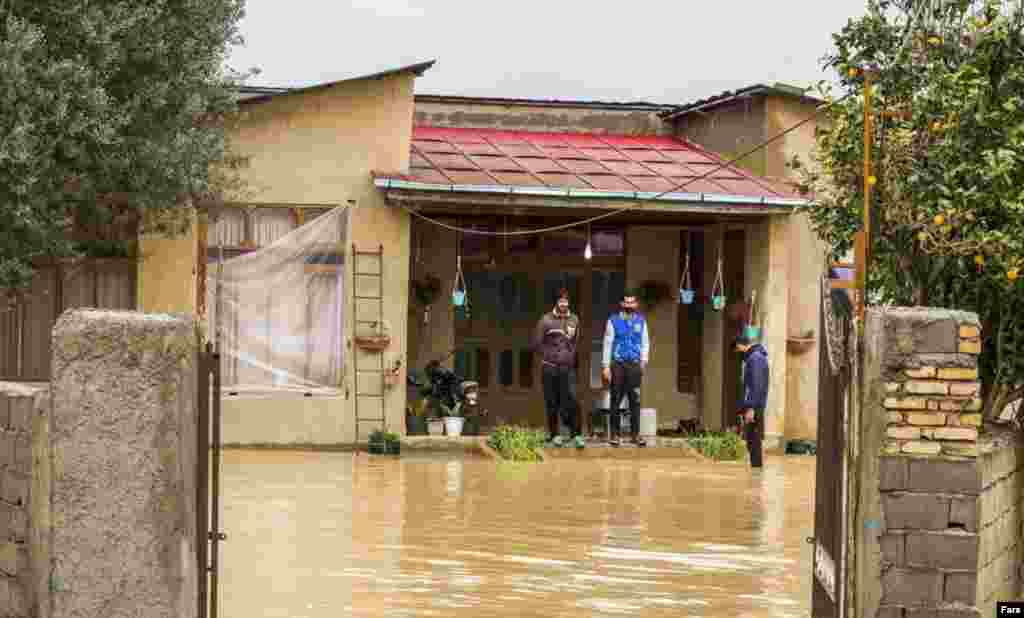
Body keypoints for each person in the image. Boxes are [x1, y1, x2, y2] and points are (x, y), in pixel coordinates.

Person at [531, 288, 584, 449]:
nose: (563, 304)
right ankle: (555, 435)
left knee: (571, 400)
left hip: (567, 368)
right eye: (561, 301)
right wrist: (549, 356)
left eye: (566, 301)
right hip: (550, 368)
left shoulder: (574, 319)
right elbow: (536, 343)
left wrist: (569, 357)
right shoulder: (546, 320)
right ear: (556, 302)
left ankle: (576, 435)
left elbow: (575, 342)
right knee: (552, 402)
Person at [601, 290, 650, 447]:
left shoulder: (641, 321)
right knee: (615, 400)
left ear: (636, 304)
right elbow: (607, 343)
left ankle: (635, 435)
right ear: (622, 304)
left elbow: (645, 342)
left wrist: (644, 361)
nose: (629, 305)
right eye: (627, 302)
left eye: (632, 302)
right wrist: (605, 366)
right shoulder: (613, 320)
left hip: (634, 365)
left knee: (635, 401)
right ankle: (615, 435)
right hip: (618, 365)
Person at [735, 332, 769, 468]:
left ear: (740, 345)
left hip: (754, 407)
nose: (738, 353)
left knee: (753, 441)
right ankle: (756, 476)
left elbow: (756, 385)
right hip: (754, 406)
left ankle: (757, 473)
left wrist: (751, 408)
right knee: (752, 441)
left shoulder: (755, 358)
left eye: (737, 349)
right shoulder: (755, 357)